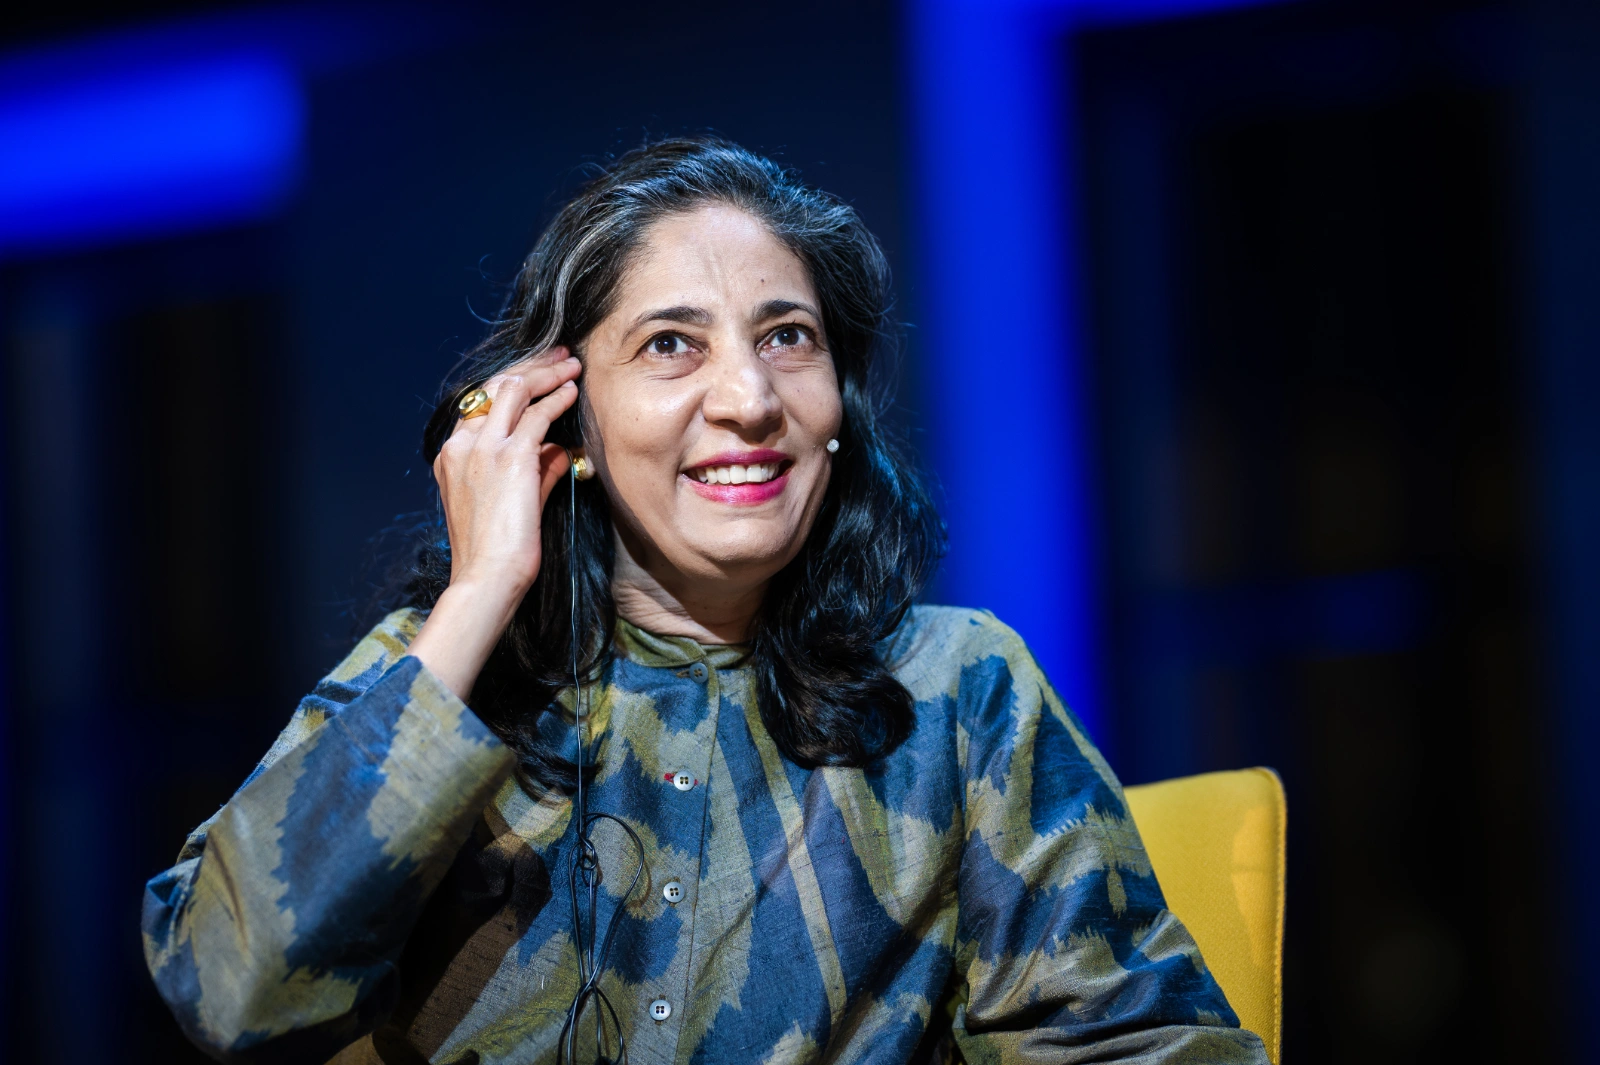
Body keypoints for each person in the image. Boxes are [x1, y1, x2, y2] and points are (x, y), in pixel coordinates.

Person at [142, 137, 1269, 1065]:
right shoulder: (437, 672)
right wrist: (484, 589)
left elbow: (1142, 1046)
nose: (749, 398)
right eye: (670, 346)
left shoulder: (956, 691)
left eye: (788, 338)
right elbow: (236, 993)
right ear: (560, 419)